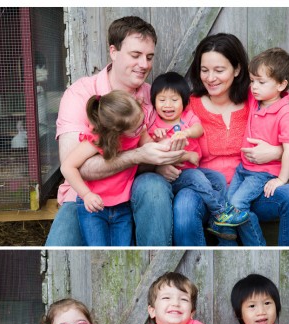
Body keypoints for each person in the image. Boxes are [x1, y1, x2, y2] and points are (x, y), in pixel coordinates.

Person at [46, 16, 187, 247]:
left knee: (153, 187)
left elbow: (151, 150)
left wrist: (167, 154)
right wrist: (137, 156)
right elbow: (78, 167)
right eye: (135, 55)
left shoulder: (154, 98)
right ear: (114, 51)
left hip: (131, 192)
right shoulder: (80, 94)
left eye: (149, 57)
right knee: (60, 246)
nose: (144, 64)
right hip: (84, 195)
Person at [180, 33, 289, 246]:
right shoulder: (190, 105)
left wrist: (275, 152)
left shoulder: (257, 99)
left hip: (253, 189)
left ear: (237, 69)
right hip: (209, 194)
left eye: (219, 70)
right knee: (184, 206)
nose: (210, 77)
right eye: (204, 70)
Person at [214, 48, 289, 239]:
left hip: (262, 174)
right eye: (253, 81)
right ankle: (227, 233)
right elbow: (236, 82)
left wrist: (281, 179)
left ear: (281, 85)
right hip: (243, 169)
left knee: (237, 204)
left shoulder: (284, 115)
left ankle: (255, 243)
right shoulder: (256, 101)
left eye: (261, 82)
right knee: (229, 203)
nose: (254, 87)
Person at [61, 91, 150, 246]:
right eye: (137, 127)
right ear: (115, 132)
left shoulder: (137, 131)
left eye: (142, 122)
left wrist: (167, 146)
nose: (142, 128)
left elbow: (149, 146)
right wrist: (86, 194)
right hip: (94, 207)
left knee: (123, 248)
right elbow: (67, 167)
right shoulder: (97, 140)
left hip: (123, 205)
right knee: (97, 247)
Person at [149, 71, 232, 232]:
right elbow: (159, 154)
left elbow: (199, 129)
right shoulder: (156, 126)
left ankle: (216, 219)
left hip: (194, 169)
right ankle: (220, 211)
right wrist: (186, 154)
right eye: (162, 100)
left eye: (174, 100)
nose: (168, 105)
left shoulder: (188, 117)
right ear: (154, 102)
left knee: (218, 178)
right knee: (196, 177)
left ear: (184, 102)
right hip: (175, 176)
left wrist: (186, 132)